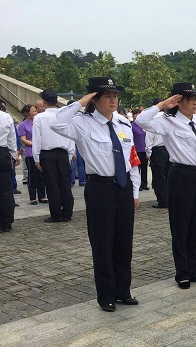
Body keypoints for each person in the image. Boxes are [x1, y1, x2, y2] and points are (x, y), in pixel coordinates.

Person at [50, 76, 141, 312]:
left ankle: (123, 291)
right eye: (107, 96)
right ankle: (106, 295)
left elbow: (131, 159)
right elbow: (56, 123)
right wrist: (81, 102)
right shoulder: (82, 123)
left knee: (124, 242)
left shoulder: (123, 123)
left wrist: (134, 190)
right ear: (94, 99)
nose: (113, 100)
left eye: (115, 95)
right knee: (103, 243)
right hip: (100, 188)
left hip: (123, 186)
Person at [136, 82, 196, 288]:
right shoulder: (167, 121)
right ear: (178, 101)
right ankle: (182, 272)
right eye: (189, 99)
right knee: (181, 226)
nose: (194, 102)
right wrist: (163, 104)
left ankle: (194, 269)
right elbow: (141, 120)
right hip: (180, 175)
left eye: (195, 99)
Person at [32, 88, 75, 222]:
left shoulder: (39, 117)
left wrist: (36, 158)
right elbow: (70, 136)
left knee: (52, 185)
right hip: (63, 153)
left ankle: (56, 214)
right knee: (65, 184)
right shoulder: (64, 115)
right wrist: (70, 154)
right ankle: (67, 212)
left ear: (44, 102)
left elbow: (37, 139)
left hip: (47, 154)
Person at [18, 104, 47, 205]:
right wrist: (35, 144)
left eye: (35, 111)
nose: (35, 113)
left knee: (42, 176)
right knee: (32, 176)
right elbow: (23, 139)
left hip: (41, 151)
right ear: (27, 113)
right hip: (30, 153)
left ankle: (42, 196)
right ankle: (33, 197)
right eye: (33, 111)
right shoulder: (23, 125)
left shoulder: (39, 122)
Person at [145, 98, 170, 209]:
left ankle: (163, 201)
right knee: (168, 176)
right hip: (168, 150)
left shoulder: (153, 120)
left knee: (159, 178)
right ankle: (169, 199)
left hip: (157, 151)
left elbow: (149, 139)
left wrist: (148, 153)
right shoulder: (168, 118)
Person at [0, 107, 17, 232]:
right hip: (3, 152)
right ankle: (6, 222)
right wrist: (13, 156)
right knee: (5, 189)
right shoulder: (6, 117)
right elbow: (12, 139)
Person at [131, 108, 149, 191]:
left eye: (139, 114)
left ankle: (144, 183)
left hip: (144, 149)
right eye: (136, 114)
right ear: (133, 116)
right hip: (137, 149)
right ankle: (137, 185)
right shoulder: (132, 126)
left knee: (144, 168)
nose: (138, 116)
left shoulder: (143, 125)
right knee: (137, 168)